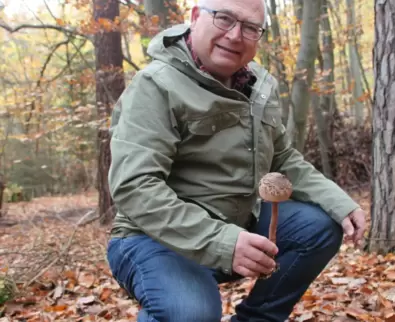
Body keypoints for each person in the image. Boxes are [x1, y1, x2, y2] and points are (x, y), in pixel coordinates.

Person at [106, 0, 367, 321]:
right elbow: (135, 188)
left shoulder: (257, 86)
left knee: (319, 227)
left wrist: (338, 202)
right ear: (196, 17)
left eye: (250, 28)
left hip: (235, 225)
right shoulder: (156, 85)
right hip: (150, 239)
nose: (235, 35)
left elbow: (282, 158)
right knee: (191, 312)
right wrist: (224, 241)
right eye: (225, 19)